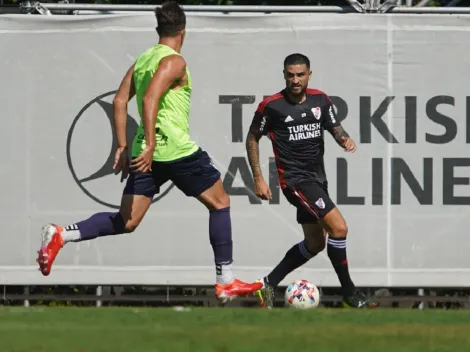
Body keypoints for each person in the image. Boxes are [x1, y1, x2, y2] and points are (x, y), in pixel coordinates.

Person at [36, 0, 262, 303]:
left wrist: (123, 145)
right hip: (175, 151)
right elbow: (149, 100)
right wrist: (154, 143)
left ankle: (62, 234)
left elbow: (119, 101)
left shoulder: (143, 60)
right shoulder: (174, 61)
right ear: (183, 31)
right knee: (220, 203)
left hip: (146, 153)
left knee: (127, 221)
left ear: (159, 29)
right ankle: (225, 281)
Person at [245, 53, 377, 309]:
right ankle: (350, 294)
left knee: (315, 243)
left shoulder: (321, 100)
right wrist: (259, 179)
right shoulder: (271, 106)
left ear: (309, 75)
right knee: (339, 228)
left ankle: (269, 284)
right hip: (295, 182)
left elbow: (336, 128)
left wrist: (345, 139)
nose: (295, 80)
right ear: (284, 75)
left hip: (317, 179)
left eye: (300, 75)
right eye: (290, 75)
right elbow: (252, 138)